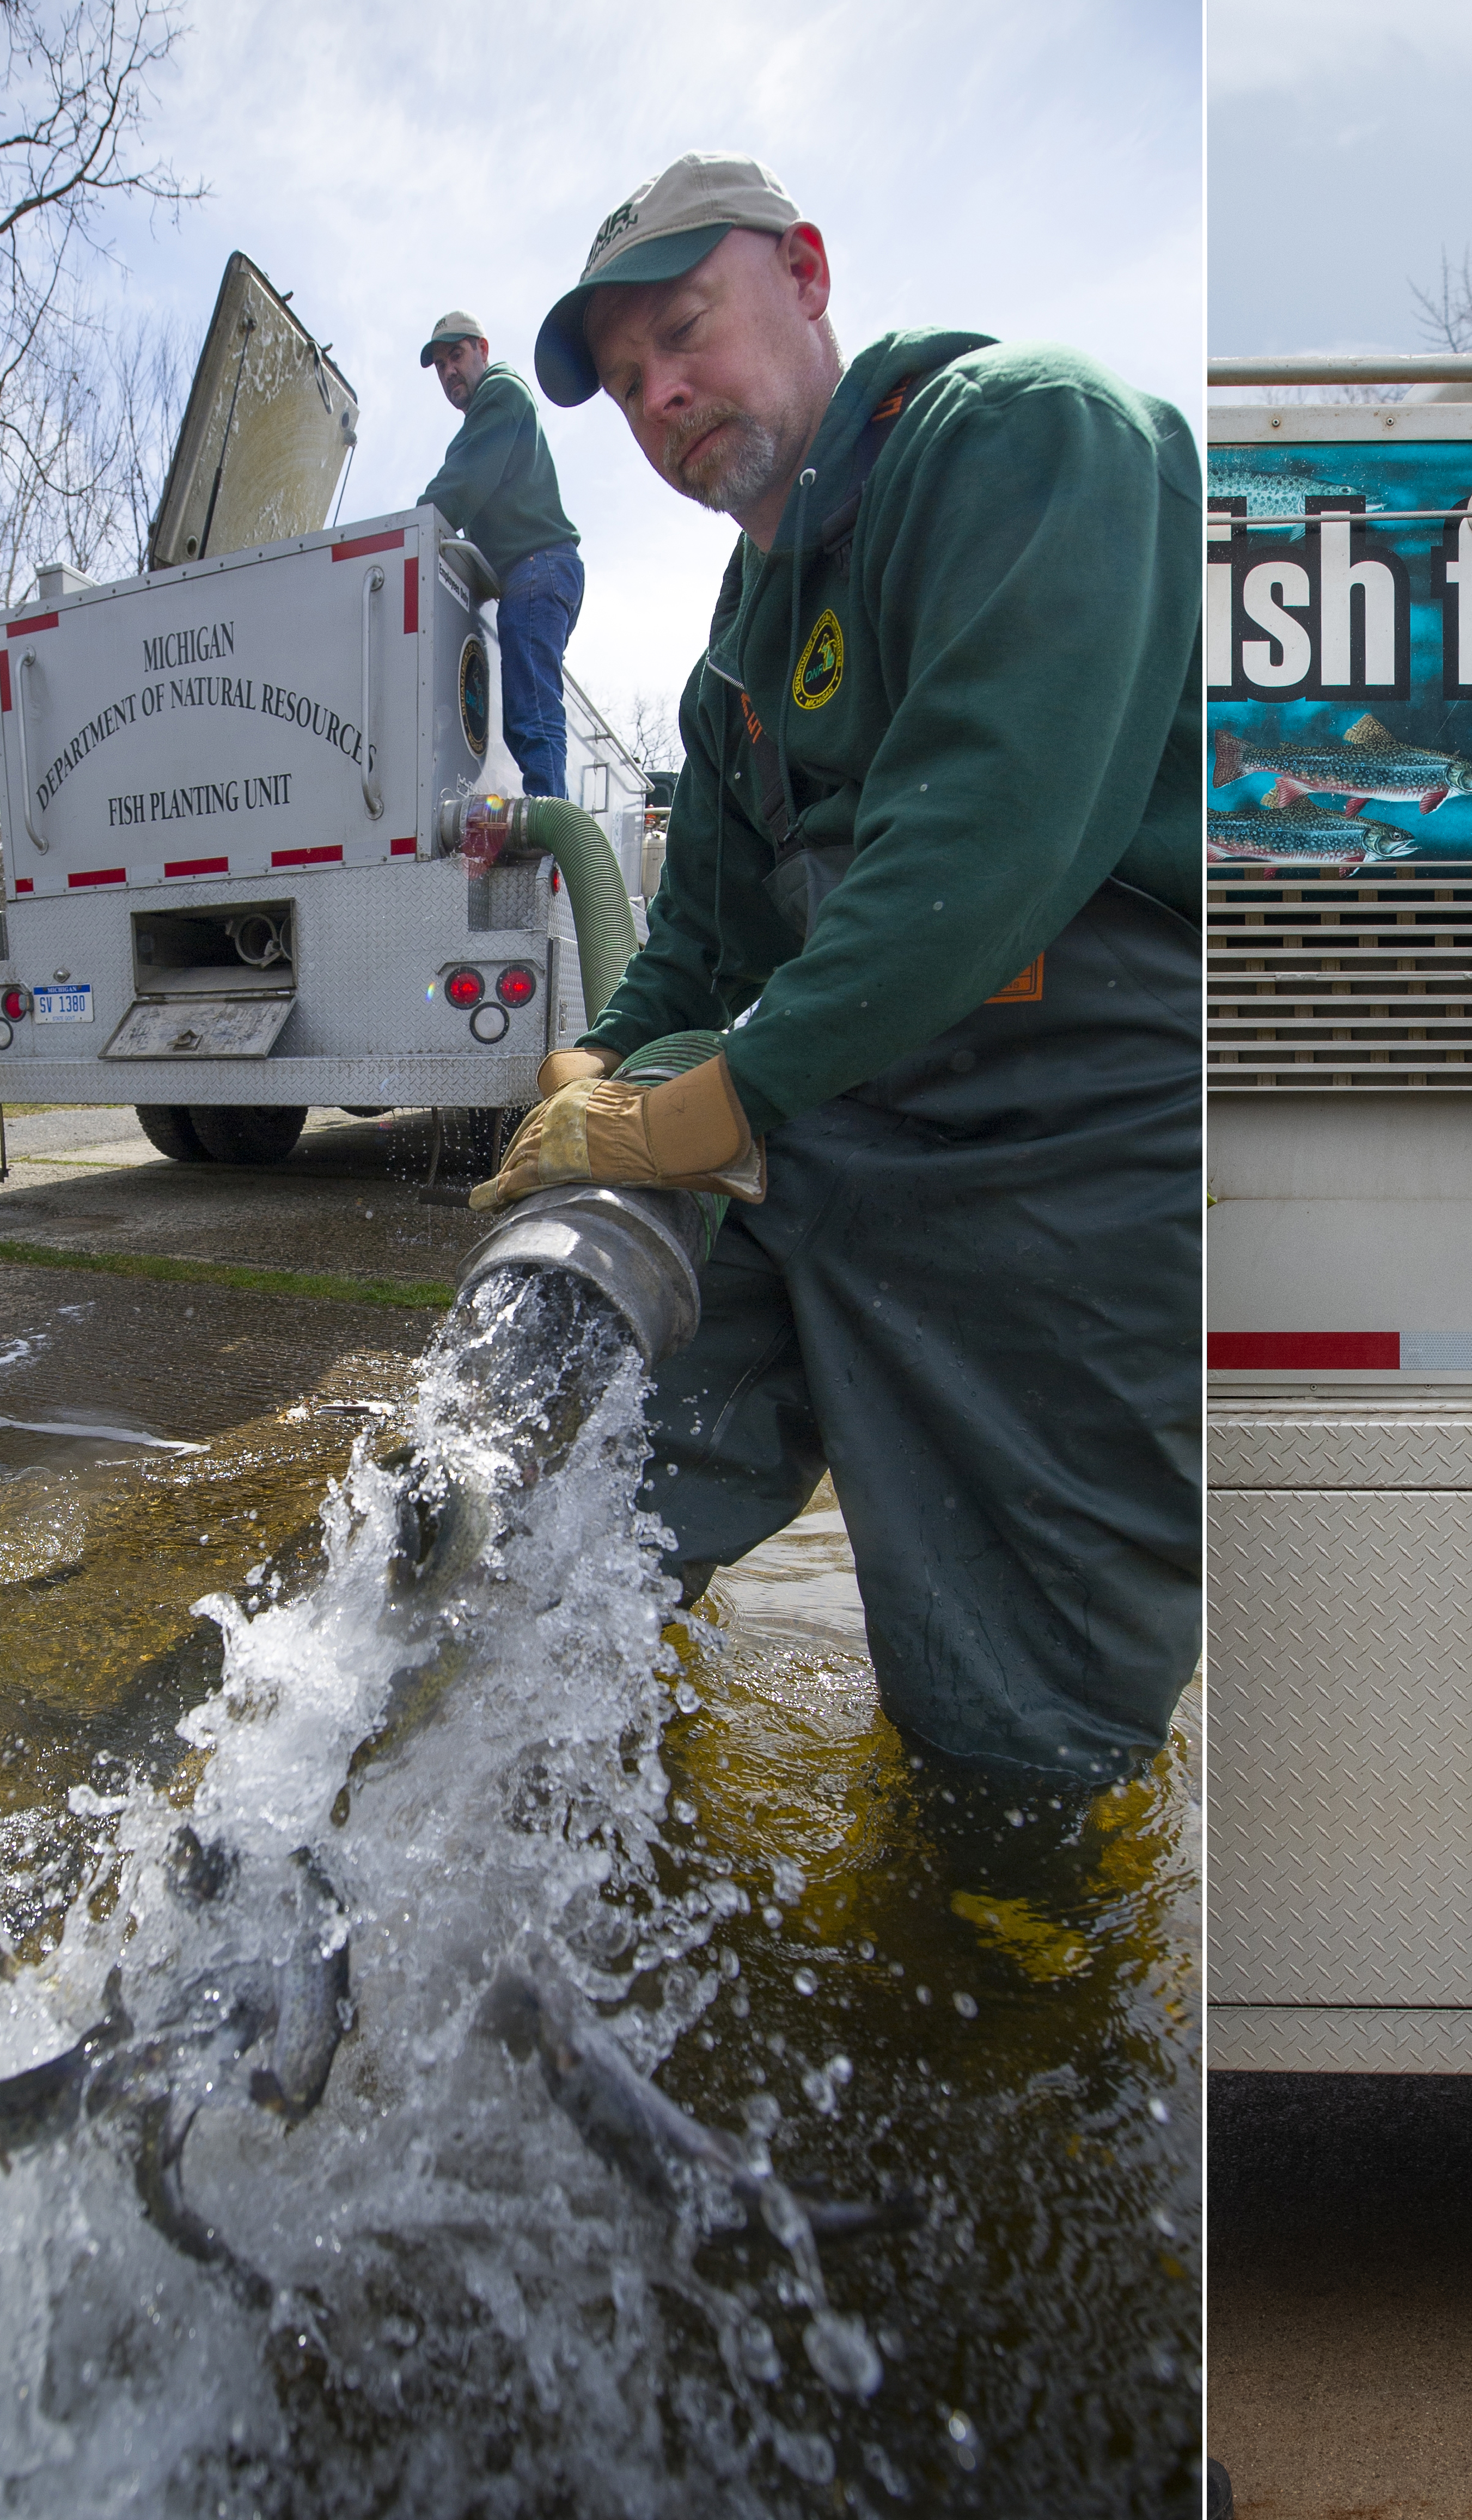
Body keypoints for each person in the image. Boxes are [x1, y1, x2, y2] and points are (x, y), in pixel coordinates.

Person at [472, 154, 1199, 1811]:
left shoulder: (1025, 438)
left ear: (805, 272)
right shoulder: (742, 635)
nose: (662, 393)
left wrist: (709, 1099)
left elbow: (982, 845)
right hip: (835, 1127)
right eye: (630, 381)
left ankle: (1019, 1985)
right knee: (565, 1498)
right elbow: (710, 940)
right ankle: (538, 1797)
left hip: (1064, 1151)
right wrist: (602, 1061)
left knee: (1016, 1746)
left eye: (684, 328)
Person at [416, 312, 586, 798]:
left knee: (533, 718)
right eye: (440, 366)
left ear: (482, 350)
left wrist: (409, 530)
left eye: (457, 356)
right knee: (529, 718)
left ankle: (554, 845)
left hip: (536, 568)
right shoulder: (491, 411)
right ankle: (554, 834)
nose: (449, 372)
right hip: (540, 573)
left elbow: (460, 484)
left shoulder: (501, 394)